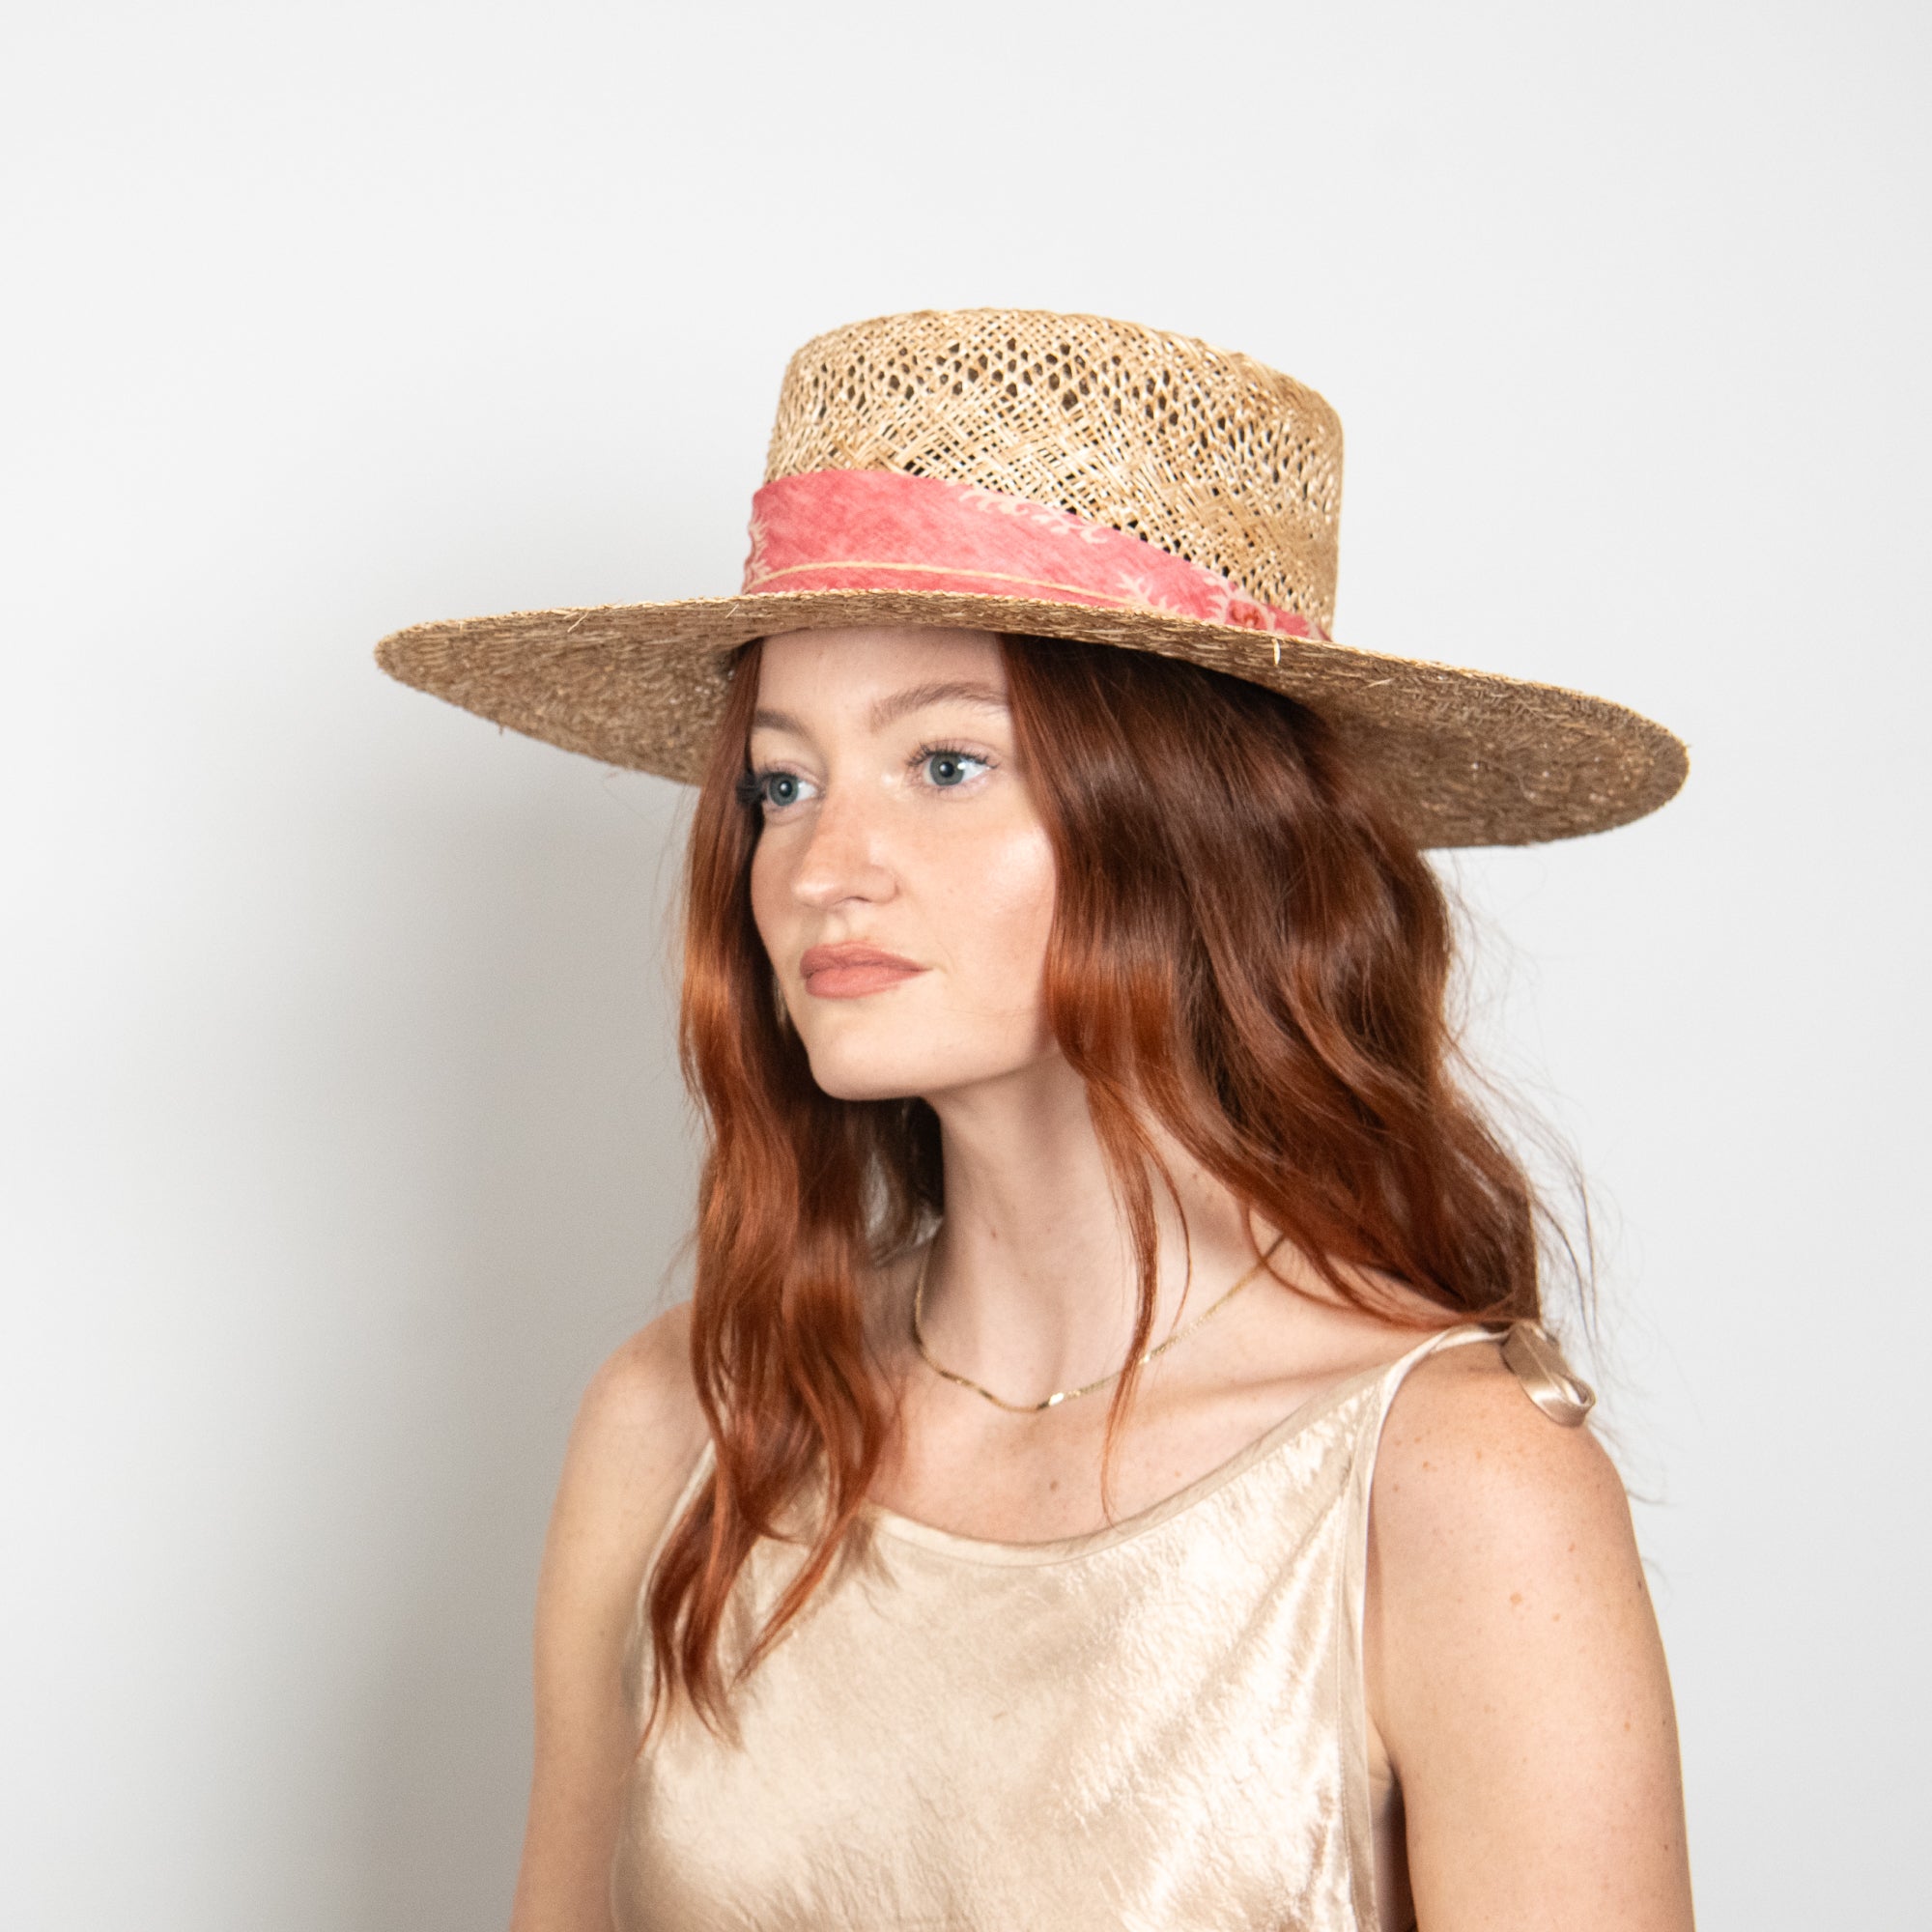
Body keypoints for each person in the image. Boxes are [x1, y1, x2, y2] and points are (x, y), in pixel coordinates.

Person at [378, 309, 1696, 1931]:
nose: (820, 863)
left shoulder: (1454, 1484)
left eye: (944, 762)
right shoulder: (683, 1425)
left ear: (1200, 829)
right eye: (779, 784)